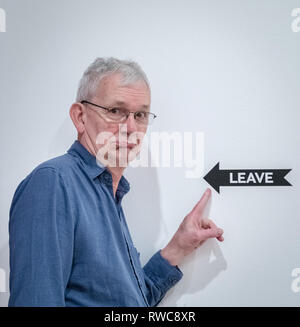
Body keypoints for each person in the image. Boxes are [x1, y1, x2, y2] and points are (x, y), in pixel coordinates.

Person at [8, 57, 224, 307]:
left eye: (141, 114)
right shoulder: (54, 184)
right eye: (115, 111)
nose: (131, 128)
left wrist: (177, 248)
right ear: (80, 117)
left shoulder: (110, 192)